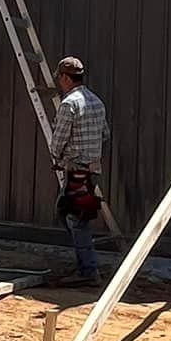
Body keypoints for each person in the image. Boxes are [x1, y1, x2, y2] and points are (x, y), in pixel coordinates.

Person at [49, 54, 107, 286]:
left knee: (75, 218)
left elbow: (57, 141)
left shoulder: (69, 104)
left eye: (60, 78)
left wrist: (58, 156)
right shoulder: (97, 102)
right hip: (92, 169)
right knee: (68, 211)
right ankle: (85, 263)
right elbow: (105, 134)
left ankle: (88, 270)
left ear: (65, 77)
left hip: (76, 169)